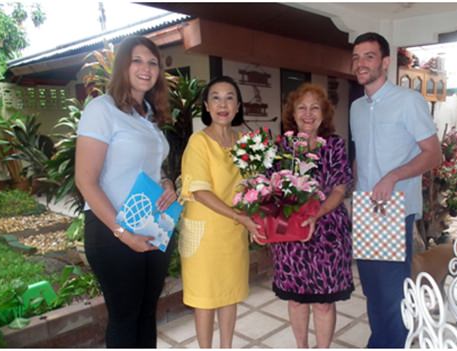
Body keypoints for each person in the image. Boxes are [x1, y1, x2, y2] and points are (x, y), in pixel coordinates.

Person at [75, 36, 177, 348]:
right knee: (124, 317)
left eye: (152, 62)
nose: (146, 68)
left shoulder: (148, 114)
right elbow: (85, 180)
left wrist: (167, 183)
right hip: (111, 230)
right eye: (137, 60)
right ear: (123, 66)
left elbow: (150, 166)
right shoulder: (101, 109)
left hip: (151, 224)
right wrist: (122, 231)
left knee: (147, 313)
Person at [350, 32, 443, 348]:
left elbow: (433, 154)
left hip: (394, 209)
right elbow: (361, 157)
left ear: (385, 62)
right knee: (372, 290)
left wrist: (392, 176)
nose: (361, 63)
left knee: (393, 294)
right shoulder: (356, 108)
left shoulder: (409, 101)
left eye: (369, 56)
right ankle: (379, 343)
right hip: (365, 208)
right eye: (357, 57)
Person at [178, 76, 261, 348]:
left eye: (229, 98)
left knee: (229, 293)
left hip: (233, 233)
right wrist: (241, 217)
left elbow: (252, 185)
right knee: (205, 299)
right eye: (215, 97)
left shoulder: (244, 142)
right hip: (205, 236)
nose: (222, 104)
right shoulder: (198, 142)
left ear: (237, 107)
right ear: (206, 105)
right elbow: (200, 191)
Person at [271, 83, 354, 348]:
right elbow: (270, 189)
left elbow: (340, 187)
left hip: (328, 232)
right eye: (301, 108)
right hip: (290, 234)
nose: (308, 114)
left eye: (314, 108)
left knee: (323, 303)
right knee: (295, 299)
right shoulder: (282, 146)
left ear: (324, 113)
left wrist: (317, 213)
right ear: (292, 113)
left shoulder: (335, 145)